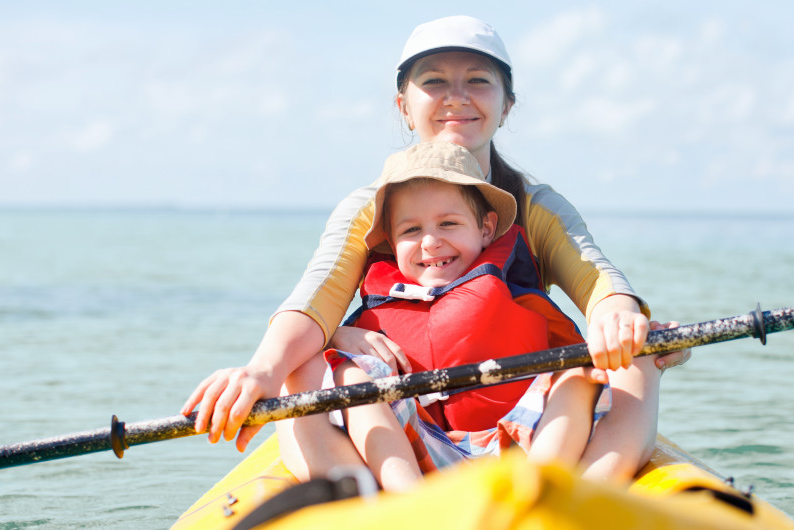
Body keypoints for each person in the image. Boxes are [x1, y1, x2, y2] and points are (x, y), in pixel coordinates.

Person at [181, 15, 690, 485]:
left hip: (519, 419)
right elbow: (315, 296)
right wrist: (266, 369)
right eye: (433, 81)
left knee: (635, 356)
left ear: (506, 105)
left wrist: (620, 319)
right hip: (407, 423)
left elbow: (598, 279)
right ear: (403, 105)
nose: (456, 97)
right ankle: (384, 503)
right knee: (299, 369)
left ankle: (572, 493)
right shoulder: (369, 208)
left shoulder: (534, 204)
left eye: (478, 80)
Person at [329, 141, 607, 492]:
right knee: (346, 371)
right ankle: (410, 505)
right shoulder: (373, 314)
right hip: (422, 450)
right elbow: (317, 357)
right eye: (411, 230)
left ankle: (538, 494)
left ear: (486, 229)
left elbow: (580, 354)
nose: (430, 242)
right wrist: (338, 335)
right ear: (392, 242)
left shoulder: (512, 289)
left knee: (577, 376)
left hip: (521, 445)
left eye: (448, 223)